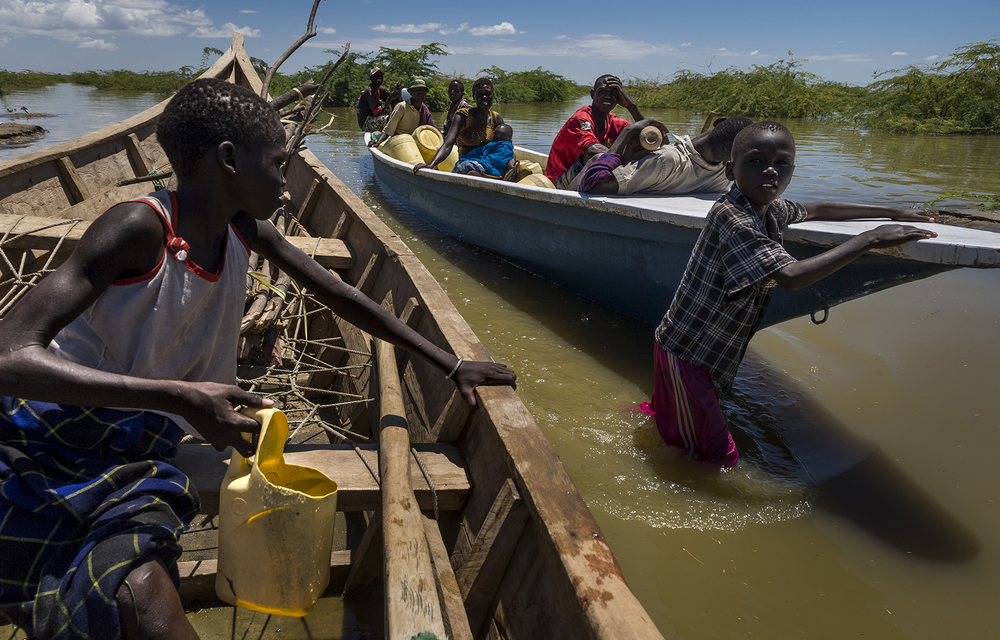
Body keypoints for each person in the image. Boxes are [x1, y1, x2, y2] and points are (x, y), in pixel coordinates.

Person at [0, 77, 516, 640]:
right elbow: (9, 355)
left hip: (143, 446)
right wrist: (179, 397)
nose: (290, 182)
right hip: (54, 433)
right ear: (228, 159)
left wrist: (448, 362)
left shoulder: (246, 231)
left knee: (133, 586)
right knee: (131, 593)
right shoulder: (139, 228)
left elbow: (342, 295)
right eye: (279, 163)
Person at [648, 120, 937, 467]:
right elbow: (791, 276)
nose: (770, 170)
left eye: (782, 163)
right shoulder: (733, 217)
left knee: (674, 426)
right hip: (689, 353)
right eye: (756, 161)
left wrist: (892, 211)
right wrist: (870, 239)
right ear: (729, 169)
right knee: (716, 459)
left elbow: (817, 209)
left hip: (697, 350)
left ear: (791, 170)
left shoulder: (767, 209)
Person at [571, 116, 754, 195]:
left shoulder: (668, 160)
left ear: (719, 123)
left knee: (595, 159)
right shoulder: (726, 176)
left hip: (580, 186)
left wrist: (626, 133)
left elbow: (595, 184)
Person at [545, 75, 644, 189]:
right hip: (557, 183)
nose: (608, 96)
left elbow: (650, 137)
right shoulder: (581, 118)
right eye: (602, 91)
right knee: (598, 157)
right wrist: (626, 164)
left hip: (586, 176)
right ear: (592, 94)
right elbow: (592, 150)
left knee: (637, 144)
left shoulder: (614, 122)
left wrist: (630, 106)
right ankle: (568, 199)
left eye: (613, 93)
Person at [412, 78, 505, 174]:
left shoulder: (496, 118)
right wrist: (430, 165)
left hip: (489, 166)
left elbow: (505, 147)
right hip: (467, 167)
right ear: (474, 97)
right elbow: (448, 144)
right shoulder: (462, 116)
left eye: (488, 94)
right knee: (472, 173)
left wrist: (511, 163)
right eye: (480, 94)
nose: (484, 97)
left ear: (493, 96)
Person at [367, 76, 438, 148]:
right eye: (417, 89)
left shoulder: (424, 110)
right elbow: (388, 130)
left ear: (425, 93)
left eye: (422, 90)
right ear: (410, 92)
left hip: (415, 142)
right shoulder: (402, 107)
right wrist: (378, 142)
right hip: (400, 142)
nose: (420, 92)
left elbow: (432, 130)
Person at [451, 123, 516, 178]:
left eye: (502, 138)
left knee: (465, 165)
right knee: (461, 162)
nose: (498, 141)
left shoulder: (505, 147)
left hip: (490, 168)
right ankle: (453, 178)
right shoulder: (490, 145)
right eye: (496, 138)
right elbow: (477, 151)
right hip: (483, 164)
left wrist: (481, 160)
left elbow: (498, 160)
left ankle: (452, 179)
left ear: (510, 141)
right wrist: (470, 157)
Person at [356, 67, 400, 132]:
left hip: (374, 118)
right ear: (371, 78)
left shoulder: (381, 89)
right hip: (366, 122)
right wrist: (390, 98)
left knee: (394, 107)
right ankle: (391, 132)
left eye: (380, 76)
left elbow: (394, 100)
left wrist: (399, 91)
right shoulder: (368, 91)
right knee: (388, 119)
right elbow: (377, 113)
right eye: (376, 76)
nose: (379, 77)